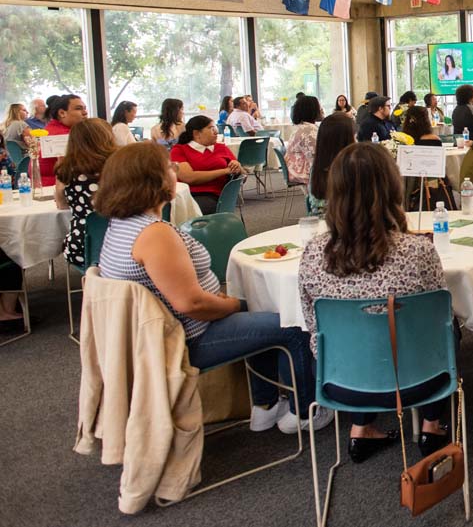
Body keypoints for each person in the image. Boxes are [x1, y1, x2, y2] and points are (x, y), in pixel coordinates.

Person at [96, 142, 331, 435]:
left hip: (156, 334)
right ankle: (305, 411)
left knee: (259, 310)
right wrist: (232, 304)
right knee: (293, 325)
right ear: (152, 179)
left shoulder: (121, 225)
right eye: (169, 167)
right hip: (187, 337)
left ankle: (266, 405)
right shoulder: (154, 235)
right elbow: (191, 304)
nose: (175, 170)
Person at [299, 143, 450, 461]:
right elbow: (441, 317)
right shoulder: (418, 250)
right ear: (391, 186)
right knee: (450, 330)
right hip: (418, 378)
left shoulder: (313, 252)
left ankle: (360, 427)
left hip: (339, 380)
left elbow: (312, 323)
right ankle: (431, 424)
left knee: (347, 336)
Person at [55, 118, 116, 268]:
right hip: (124, 241)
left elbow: (62, 205)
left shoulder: (66, 170)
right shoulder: (120, 166)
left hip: (83, 244)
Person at [170, 116, 244, 215]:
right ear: (197, 133)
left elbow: (242, 175)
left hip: (215, 195)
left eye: (215, 128)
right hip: (186, 194)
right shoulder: (179, 150)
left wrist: (238, 167)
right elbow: (188, 177)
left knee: (185, 211)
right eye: (211, 129)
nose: (216, 132)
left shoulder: (221, 147)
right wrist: (225, 171)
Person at [308, 113, 356, 218]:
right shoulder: (351, 169)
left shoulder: (317, 167)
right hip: (345, 225)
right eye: (354, 136)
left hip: (319, 222)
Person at [39, 94, 87, 182]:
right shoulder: (61, 135)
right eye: (78, 108)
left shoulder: (54, 129)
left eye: (85, 108)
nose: (85, 112)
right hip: (55, 186)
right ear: (62, 113)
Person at [284, 95, 322, 185]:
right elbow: (315, 155)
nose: (321, 110)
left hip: (296, 166)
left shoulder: (303, 126)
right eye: (319, 107)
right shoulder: (307, 130)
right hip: (301, 170)